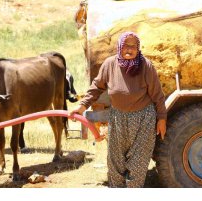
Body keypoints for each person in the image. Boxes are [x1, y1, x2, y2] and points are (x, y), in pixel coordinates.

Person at [69, 31, 167, 188]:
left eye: (133, 46)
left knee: (138, 164)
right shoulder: (110, 64)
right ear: (120, 46)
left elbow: (158, 95)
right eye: (126, 45)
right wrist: (82, 106)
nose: (129, 49)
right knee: (115, 163)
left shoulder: (146, 66)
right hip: (117, 118)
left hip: (143, 119)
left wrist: (161, 118)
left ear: (138, 48)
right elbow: (96, 87)